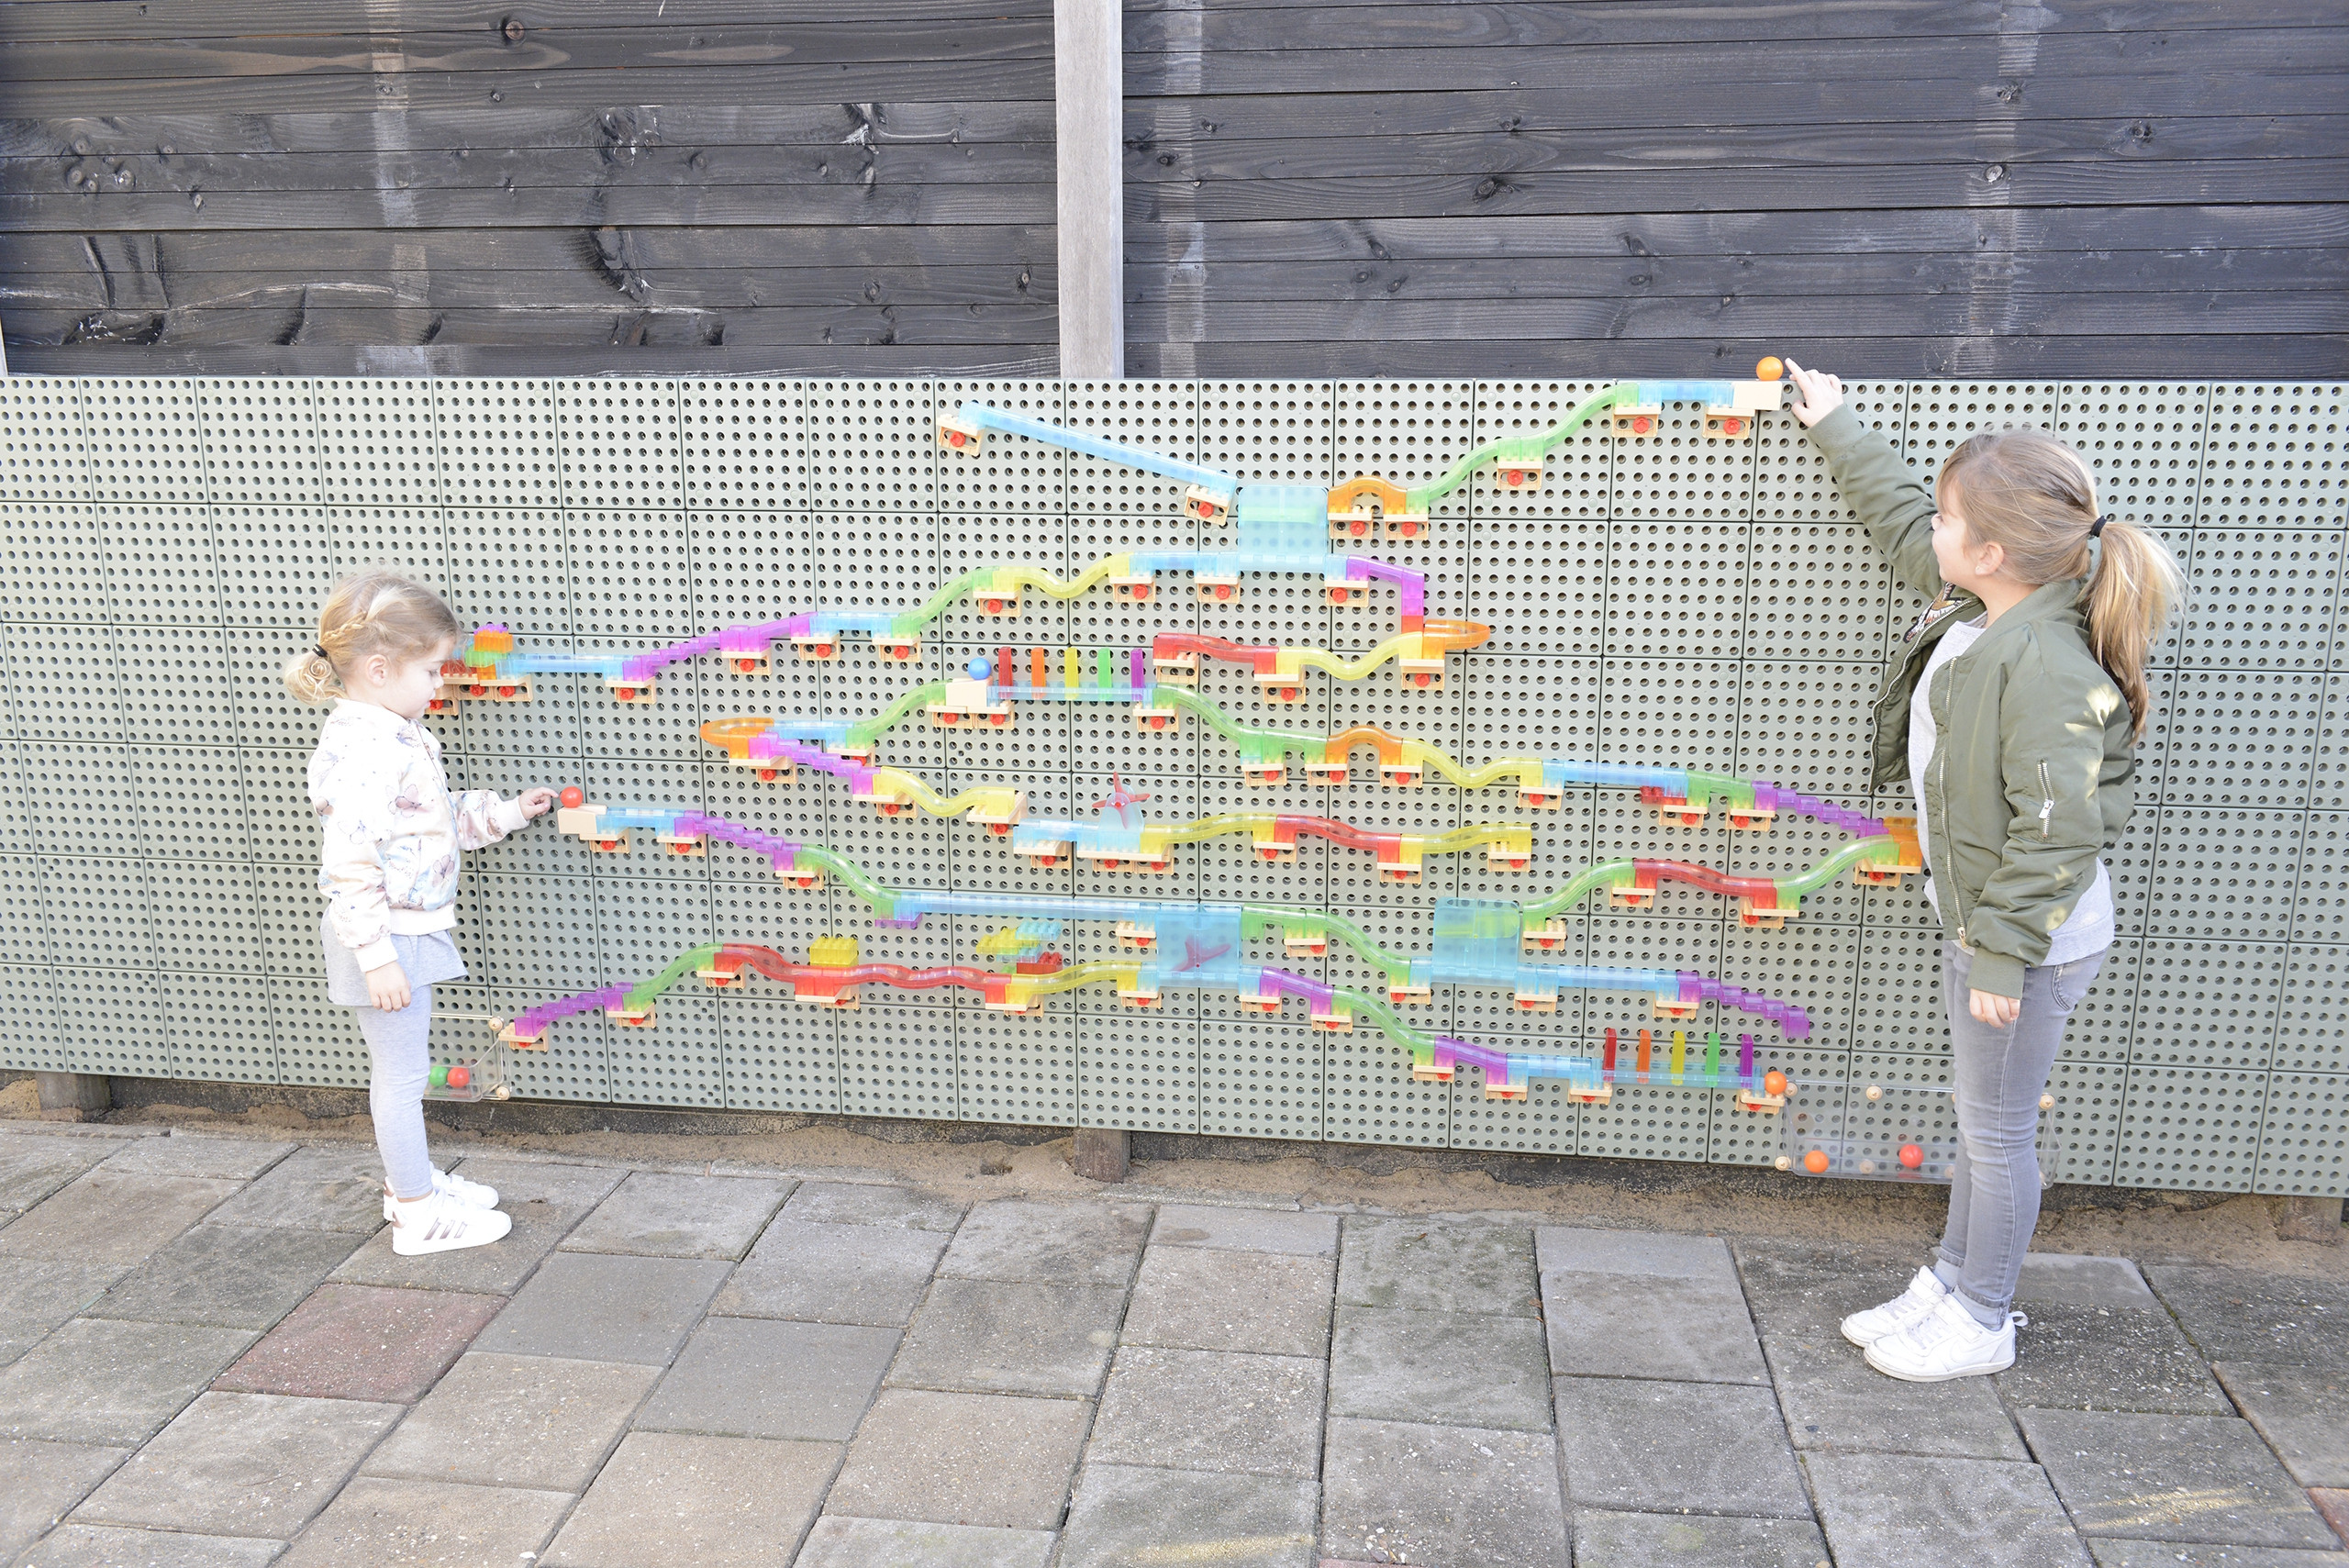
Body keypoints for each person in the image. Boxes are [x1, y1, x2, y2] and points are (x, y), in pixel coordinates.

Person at [1786, 362, 2178, 1381]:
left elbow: (2057, 828)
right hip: (1995, 929)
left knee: (1997, 1134)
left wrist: (2000, 955)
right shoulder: (1989, 607)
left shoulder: (2043, 665)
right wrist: (1837, 425)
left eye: (1951, 520)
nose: (1935, 531)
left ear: (1992, 551)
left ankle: (1983, 1316)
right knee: (1981, 1123)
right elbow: (1902, 524)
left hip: (2025, 941)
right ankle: (1954, 1280)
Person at [284, 571, 555, 1255]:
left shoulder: (392, 734)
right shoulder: (371, 751)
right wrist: (377, 957)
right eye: (432, 670)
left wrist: (503, 813)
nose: (440, 685)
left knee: (402, 1072)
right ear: (380, 669)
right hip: (385, 939)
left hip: (397, 933)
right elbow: (350, 860)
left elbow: (426, 822)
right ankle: (417, 1212)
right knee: (402, 1078)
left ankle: (412, 1183)